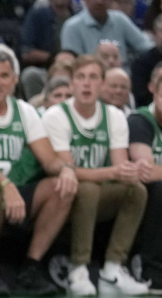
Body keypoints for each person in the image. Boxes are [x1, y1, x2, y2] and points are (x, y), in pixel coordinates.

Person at [0, 47, 78, 296]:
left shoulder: (25, 110)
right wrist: (5, 185)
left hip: (18, 189)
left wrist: (66, 169)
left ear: (14, 80)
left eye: (4, 76)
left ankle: (31, 267)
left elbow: (48, 159)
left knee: (61, 188)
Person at [42, 56, 149, 296]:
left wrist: (133, 172)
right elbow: (67, 168)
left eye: (93, 78)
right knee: (87, 188)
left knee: (136, 191)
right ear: (71, 85)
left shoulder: (114, 116)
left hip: (97, 193)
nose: (86, 84)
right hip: (59, 194)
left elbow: (120, 166)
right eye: (80, 78)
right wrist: (114, 171)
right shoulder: (56, 116)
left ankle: (113, 269)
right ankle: (78, 269)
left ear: (102, 84)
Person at [127, 76, 162, 295]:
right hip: (142, 195)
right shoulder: (140, 120)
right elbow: (146, 171)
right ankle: (152, 268)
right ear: (155, 94)